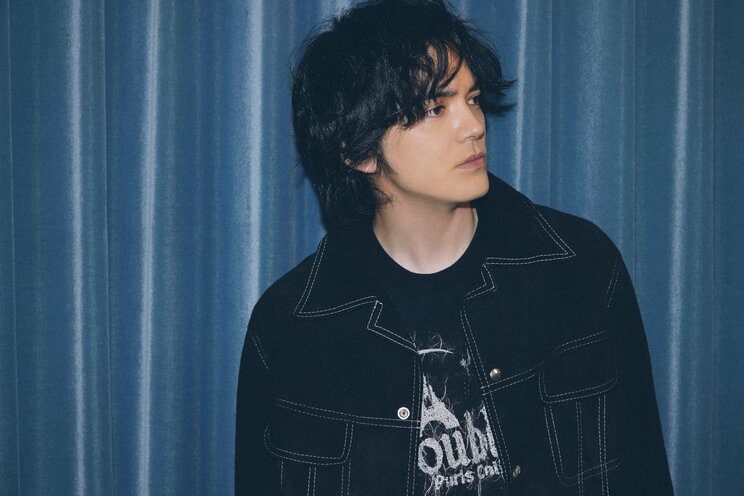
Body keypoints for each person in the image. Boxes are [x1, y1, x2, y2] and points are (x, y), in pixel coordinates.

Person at [235, 0, 674, 494]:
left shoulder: (580, 268)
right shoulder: (291, 327)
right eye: (434, 109)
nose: (474, 125)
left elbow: (644, 473)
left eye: (474, 98)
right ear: (357, 150)